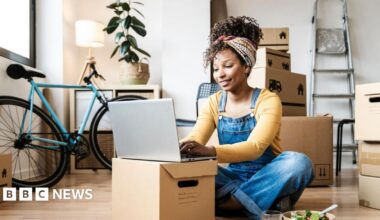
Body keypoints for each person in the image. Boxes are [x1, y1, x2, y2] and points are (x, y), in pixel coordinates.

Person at [180, 16, 314, 219]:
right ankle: (259, 203)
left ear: (246, 67)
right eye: (216, 69)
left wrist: (210, 151)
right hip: (232, 178)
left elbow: (255, 148)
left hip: (269, 176)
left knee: (299, 163)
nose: (220, 74)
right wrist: (179, 148)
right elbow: (196, 138)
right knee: (186, 166)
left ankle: (232, 204)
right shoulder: (214, 102)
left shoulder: (268, 100)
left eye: (227, 66)